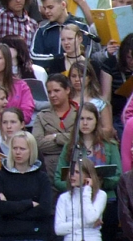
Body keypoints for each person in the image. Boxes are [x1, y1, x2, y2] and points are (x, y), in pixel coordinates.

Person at [54, 102, 122, 240]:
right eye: (81, 119)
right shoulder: (70, 147)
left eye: (89, 119)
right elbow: (58, 178)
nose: (85, 123)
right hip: (77, 203)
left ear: (97, 121)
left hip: (106, 200)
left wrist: (97, 183)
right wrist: (78, 184)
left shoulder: (109, 145)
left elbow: (118, 176)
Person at [0, 131, 53, 241]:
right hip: (9, 235)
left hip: (36, 234)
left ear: (31, 151)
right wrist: (29, 203)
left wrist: (9, 209)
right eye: (15, 148)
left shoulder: (41, 177)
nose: (18, 152)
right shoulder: (0, 176)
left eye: (22, 149)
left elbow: (45, 209)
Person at [32, 74, 77, 183]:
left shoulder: (81, 114)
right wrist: (69, 141)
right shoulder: (41, 116)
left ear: (67, 90)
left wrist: (56, 137)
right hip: (49, 171)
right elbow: (37, 144)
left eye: (57, 91)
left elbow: (82, 139)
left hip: (77, 168)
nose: (52, 95)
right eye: (49, 92)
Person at [54, 158, 107, 241]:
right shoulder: (64, 198)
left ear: (88, 175)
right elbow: (58, 229)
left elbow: (90, 218)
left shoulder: (100, 195)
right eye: (71, 171)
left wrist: (87, 191)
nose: (72, 175)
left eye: (77, 172)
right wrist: (85, 223)